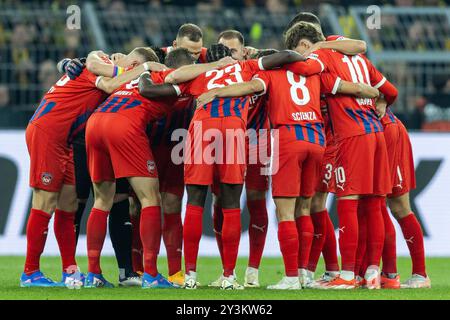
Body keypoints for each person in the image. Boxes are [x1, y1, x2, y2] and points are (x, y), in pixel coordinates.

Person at [196, 57, 379, 291]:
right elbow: (353, 87)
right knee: (307, 207)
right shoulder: (315, 73)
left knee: (285, 212)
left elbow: (251, 87)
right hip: (317, 139)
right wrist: (376, 94)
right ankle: (305, 274)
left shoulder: (270, 74)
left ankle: (291, 277)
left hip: (288, 138)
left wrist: (218, 92)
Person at [139, 50, 308, 290]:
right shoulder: (248, 67)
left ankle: (190, 276)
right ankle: (229, 276)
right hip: (233, 128)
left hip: (202, 126)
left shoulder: (203, 74)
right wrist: (309, 59)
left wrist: (145, 71)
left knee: (195, 203)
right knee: (230, 205)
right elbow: (286, 56)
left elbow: (170, 79)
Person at [85, 48, 233, 288]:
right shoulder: (164, 76)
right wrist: (215, 66)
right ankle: (152, 275)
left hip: (96, 123)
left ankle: (93, 274)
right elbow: (176, 77)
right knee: (150, 199)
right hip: (124, 124)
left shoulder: (133, 77)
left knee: (103, 201)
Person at [20, 47, 157, 288]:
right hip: (48, 132)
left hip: (67, 139)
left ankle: (69, 270)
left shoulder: (112, 73)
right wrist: (144, 69)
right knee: (44, 201)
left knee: (69, 203)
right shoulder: (98, 59)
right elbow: (104, 79)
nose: (119, 56)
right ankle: (30, 272)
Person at [284, 21, 398, 289]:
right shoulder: (357, 58)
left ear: (302, 44)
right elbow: (389, 90)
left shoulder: (319, 57)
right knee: (375, 204)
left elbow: (322, 79)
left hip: (351, 136)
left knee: (347, 202)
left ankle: (346, 275)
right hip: (376, 132)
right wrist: (380, 100)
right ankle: (372, 272)